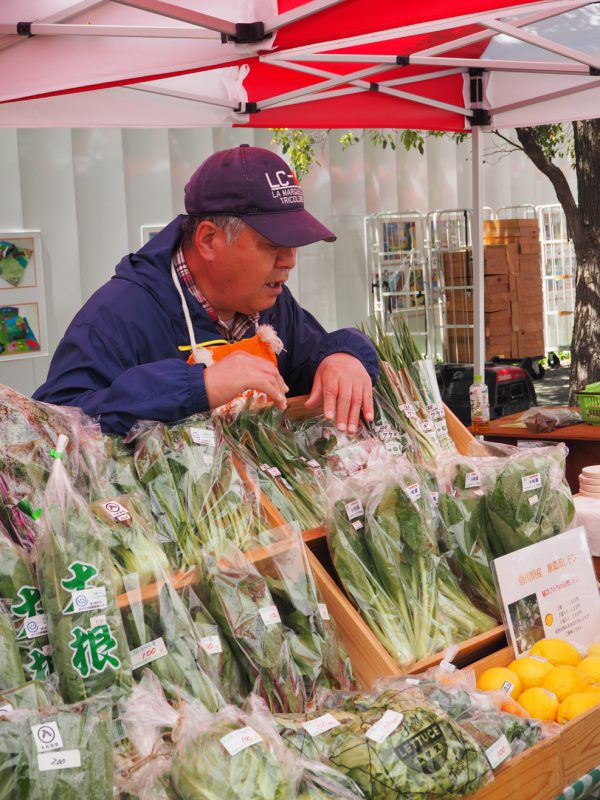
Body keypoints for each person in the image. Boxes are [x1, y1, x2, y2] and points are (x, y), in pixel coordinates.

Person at [34, 145, 378, 436]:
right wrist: (199, 387)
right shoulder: (117, 314)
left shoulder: (270, 302)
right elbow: (55, 421)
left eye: (294, 245)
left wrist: (344, 356)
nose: (289, 261)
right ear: (209, 240)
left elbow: (311, 360)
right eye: (273, 244)